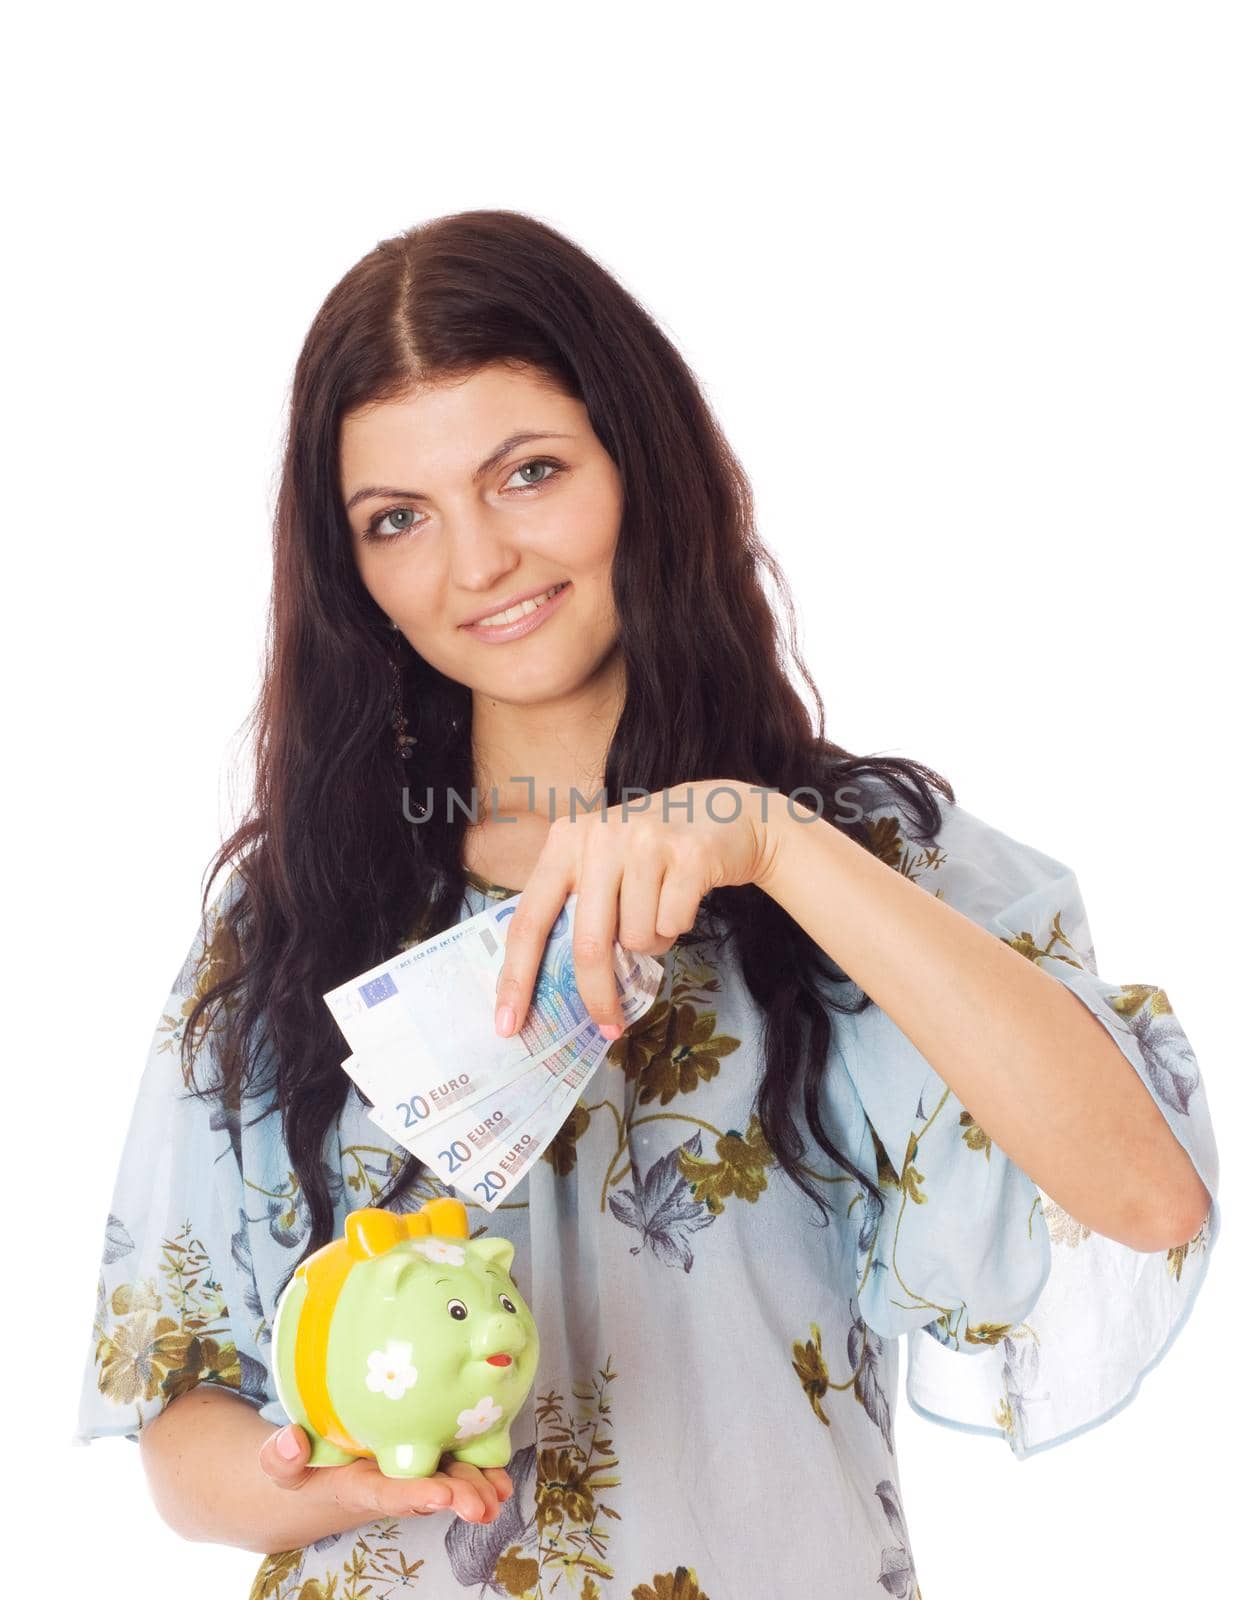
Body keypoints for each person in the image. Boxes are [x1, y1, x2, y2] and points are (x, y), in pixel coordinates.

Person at [72, 209, 1221, 1599]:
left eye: (529, 473)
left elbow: (1142, 1196)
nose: (476, 563)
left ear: (642, 465)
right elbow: (186, 1411)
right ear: (351, 572)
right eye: (397, 520)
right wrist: (324, 1482)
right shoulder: (297, 909)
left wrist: (775, 846)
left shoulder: (860, 853)